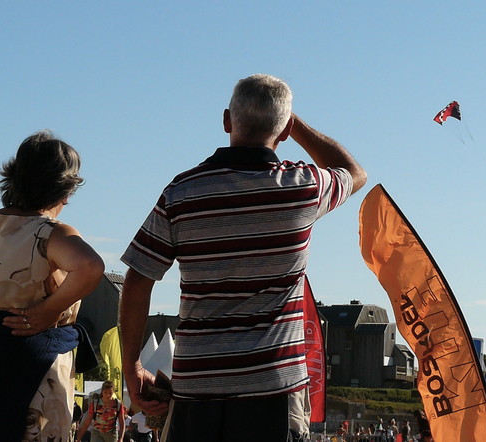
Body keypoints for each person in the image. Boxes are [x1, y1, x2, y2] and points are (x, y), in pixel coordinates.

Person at [119, 74, 367, 442]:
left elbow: (138, 280)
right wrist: (291, 123)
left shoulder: (183, 192)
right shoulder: (303, 188)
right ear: (283, 132)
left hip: (198, 386)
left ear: (226, 121)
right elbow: (354, 173)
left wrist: (133, 367)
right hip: (273, 385)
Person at [0, 130, 104, 441]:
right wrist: (47, 310)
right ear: (66, 190)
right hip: (28, 370)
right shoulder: (50, 232)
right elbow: (91, 267)